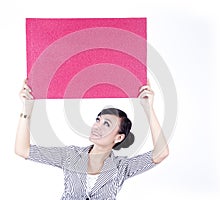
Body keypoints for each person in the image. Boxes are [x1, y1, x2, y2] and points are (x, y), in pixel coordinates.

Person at [15, 79, 169, 200]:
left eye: (107, 124)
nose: (97, 126)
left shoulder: (121, 167)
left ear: (119, 137)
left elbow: (161, 153)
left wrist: (148, 109)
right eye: (98, 120)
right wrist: (27, 108)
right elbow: (23, 150)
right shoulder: (71, 155)